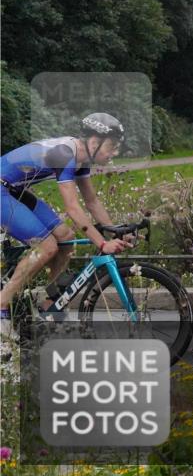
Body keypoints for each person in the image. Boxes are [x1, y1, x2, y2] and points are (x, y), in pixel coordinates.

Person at [1, 114, 132, 347]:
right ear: (94, 142)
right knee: (46, 247)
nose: (114, 153)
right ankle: (2, 306)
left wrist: (116, 231)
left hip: (13, 190)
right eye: (112, 147)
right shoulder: (64, 154)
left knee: (65, 238)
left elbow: (91, 201)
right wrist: (102, 243)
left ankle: (51, 303)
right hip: (3, 190)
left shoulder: (82, 159)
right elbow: (72, 207)